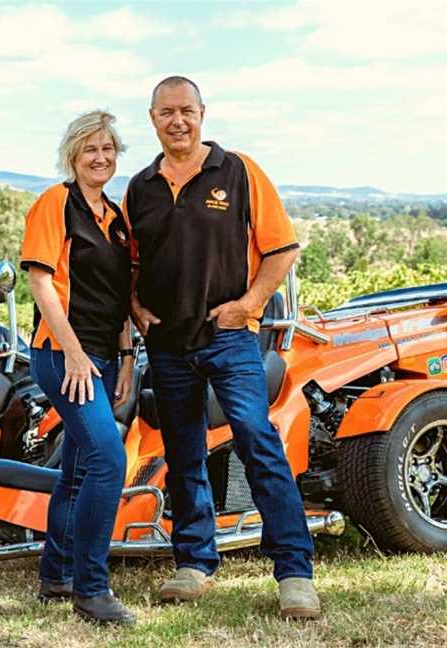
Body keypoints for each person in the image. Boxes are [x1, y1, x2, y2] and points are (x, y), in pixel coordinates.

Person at [123, 76, 320, 619]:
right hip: (167, 344)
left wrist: (249, 303)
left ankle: (295, 573)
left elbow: (283, 248)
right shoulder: (139, 187)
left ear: (203, 113)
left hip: (231, 338)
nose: (177, 121)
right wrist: (137, 308)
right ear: (153, 118)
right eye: (167, 112)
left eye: (186, 110)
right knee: (183, 454)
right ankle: (194, 564)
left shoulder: (238, 171)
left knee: (258, 441)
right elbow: (131, 263)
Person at [20, 110, 136, 626]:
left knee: (79, 469)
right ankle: (92, 589)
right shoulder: (55, 203)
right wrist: (72, 352)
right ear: (73, 153)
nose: (101, 157)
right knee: (109, 461)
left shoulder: (115, 216)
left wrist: (128, 357)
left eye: (108, 148)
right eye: (90, 148)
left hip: (105, 358)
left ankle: (56, 575)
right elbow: (42, 284)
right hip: (62, 355)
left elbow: (120, 297)